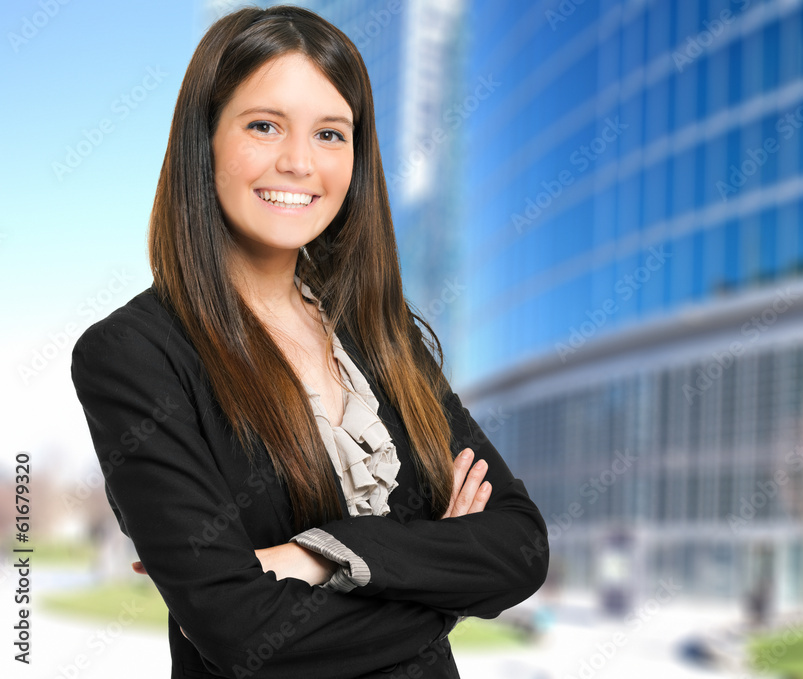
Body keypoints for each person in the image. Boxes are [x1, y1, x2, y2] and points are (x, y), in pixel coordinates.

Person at [69, 6, 549, 678]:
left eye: (330, 133)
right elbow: (241, 630)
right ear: (202, 141)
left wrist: (325, 552)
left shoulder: (381, 335)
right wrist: (443, 576)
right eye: (264, 126)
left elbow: (521, 547)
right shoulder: (132, 355)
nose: (298, 162)